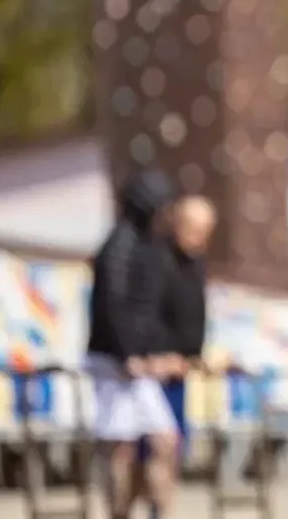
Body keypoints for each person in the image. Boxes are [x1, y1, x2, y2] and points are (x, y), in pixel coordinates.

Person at [85, 169, 180, 519]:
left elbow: (148, 309)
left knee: (164, 440)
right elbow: (113, 305)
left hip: (138, 362)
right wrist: (127, 355)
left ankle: (156, 511)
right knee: (119, 448)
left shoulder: (145, 245)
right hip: (115, 362)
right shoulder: (118, 247)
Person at [137, 194, 215, 519]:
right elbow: (147, 315)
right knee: (155, 448)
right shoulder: (156, 261)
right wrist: (158, 356)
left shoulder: (195, 264)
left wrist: (195, 355)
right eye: (195, 230)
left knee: (174, 449)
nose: (201, 238)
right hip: (154, 370)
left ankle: (162, 511)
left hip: (181, 371)